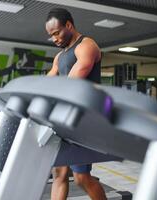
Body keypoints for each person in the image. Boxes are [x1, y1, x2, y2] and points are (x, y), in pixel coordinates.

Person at [45, 8, 106, 200]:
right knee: (59, 174)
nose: (54, 38)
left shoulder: (86, 46)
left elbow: (70, 83)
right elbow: (47, 82)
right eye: (51, 36)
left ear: (69, 26)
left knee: (81, 178)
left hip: (84, 121)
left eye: (56, 33)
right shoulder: (60, 56)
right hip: (64, 118)